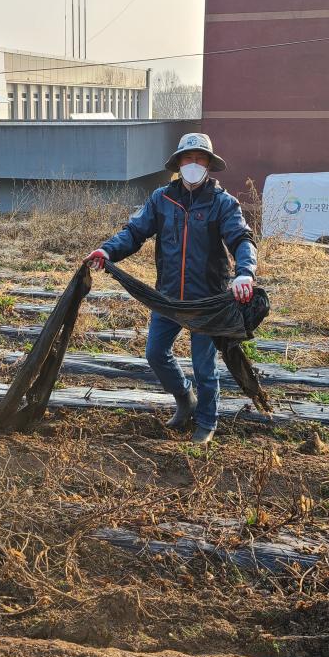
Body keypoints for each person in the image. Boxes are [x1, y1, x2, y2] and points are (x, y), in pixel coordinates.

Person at [86, 133, 258, 444]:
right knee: (155, 353)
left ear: (209, 165)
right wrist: (107, 251)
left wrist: (245, 273)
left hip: (206, 301)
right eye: (188, 158)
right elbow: (135, 232)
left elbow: (241, 239)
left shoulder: (223, 204)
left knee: (204, 367)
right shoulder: (161, 199)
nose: (194, 164)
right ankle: (184, 398)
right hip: (167, 296)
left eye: (200, 159)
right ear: (178, 163)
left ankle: (206, 422)